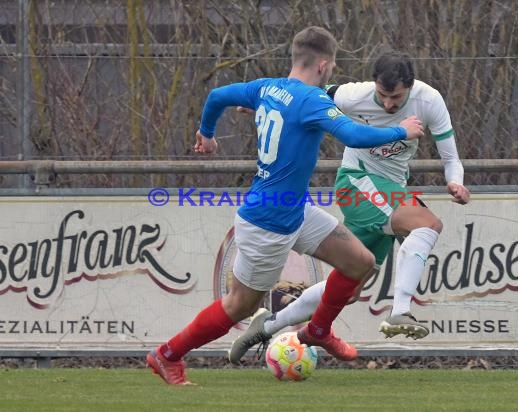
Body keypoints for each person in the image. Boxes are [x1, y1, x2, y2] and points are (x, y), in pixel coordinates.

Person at [146, 28, 424, 385]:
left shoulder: (266, 88)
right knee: (240, 306)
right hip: (268, 221)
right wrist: (402, 131)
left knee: (360, 263)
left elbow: (217, 95)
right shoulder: (311, 100)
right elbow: (354, 135)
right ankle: (167, 355)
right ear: (323, 65)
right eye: (334, 65)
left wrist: (208, 134)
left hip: (294, 209)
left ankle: (318, 330)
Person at [228, 50, 470, 364]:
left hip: (388, 191)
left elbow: (451, 157)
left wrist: (456, 181)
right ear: (374, 85)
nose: (388, 104)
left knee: (348, 287)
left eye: (395, 98)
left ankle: (270, 323)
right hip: (357, 182)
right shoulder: (354, 95)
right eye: (382, 95)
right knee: (428, 224)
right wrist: (259, 103)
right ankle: (400, 312)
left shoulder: (429, 101)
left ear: (410, 87)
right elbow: (301, 95)